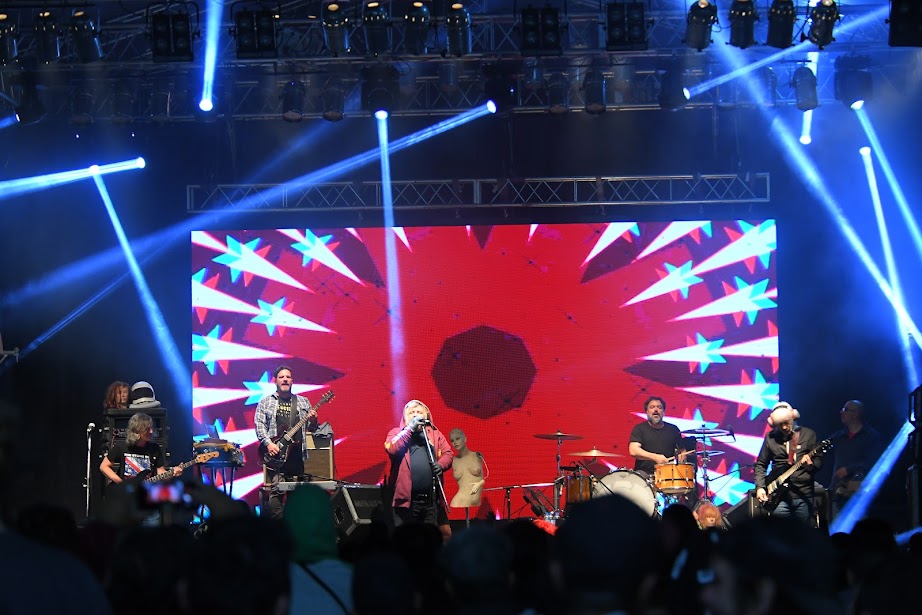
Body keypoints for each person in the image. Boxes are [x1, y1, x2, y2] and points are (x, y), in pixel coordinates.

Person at [254, 365, 319, 520]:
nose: (285, 380)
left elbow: (312, 428)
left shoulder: (303, 402)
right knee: (277, 490)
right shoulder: (266, 402)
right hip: (277, 455)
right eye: (281, 377)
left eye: (288, 377)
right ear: (275, 381)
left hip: (297, 455)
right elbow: (259, 425)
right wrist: (269, 444)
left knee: (297, 493)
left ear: (292, 381)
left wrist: (313, 420)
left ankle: (294, 524)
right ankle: (279, 526)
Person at [384, 400, 453, 531]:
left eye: (419, 412)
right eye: (411, 412)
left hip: (431, 501)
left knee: (430, 538)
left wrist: (441, 465)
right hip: (406, 503)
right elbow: (392, 448)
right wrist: (410, 429)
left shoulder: (435, 434)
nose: (415, 415)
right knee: (407, 538)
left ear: (426, 416)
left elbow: (448, 454)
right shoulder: (396, 432)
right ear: (405, 417)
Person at [753, 401, 823, 523]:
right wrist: (760, 487)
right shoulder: (770, 438)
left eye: (786, 423)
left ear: (793, 417)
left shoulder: (808, 435)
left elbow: (819, 462)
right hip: (778, 496)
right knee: (781, 532)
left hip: (802, 493)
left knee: (802, 531)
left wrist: (810, 465)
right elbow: (761, 464)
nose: (784, 427)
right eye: (780, 425)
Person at [829, 400, 883, 519]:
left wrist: (849, 469)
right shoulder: (838, 437)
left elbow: (874, 463)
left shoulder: (871, 436)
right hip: (837, 493)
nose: (841, 412)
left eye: (845, 410)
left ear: (855, 414)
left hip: (859, 494)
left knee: (858, 527)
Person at [99, 412, 179, 485]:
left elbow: (161, 472)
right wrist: (121, 483)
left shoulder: (155, 449)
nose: (151, 431)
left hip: (144, 492)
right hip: (124, 493)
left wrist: (171, 473)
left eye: (151, 428)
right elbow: (104, 466)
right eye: (147, 429)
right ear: (137, 430)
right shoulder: (122, 447)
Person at [629, 396, 694, 477]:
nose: (656, 409)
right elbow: (633, 451)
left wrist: (682, 457)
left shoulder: (673, 429)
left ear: (663, 411)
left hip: (667, 472)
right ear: (647, 411)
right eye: (652, 407)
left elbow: (682, 450)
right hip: (644, 472)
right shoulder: (639, 429)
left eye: (659, 407)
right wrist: (655, 457)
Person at [448, 428, 485, 510]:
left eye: (458, 438)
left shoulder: (477, 456)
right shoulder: (453, 461)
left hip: (474, 500)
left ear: (465, 439)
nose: (455, 442)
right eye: (452, 440)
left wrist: (480, 483)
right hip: (459, 501)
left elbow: (487, 476)